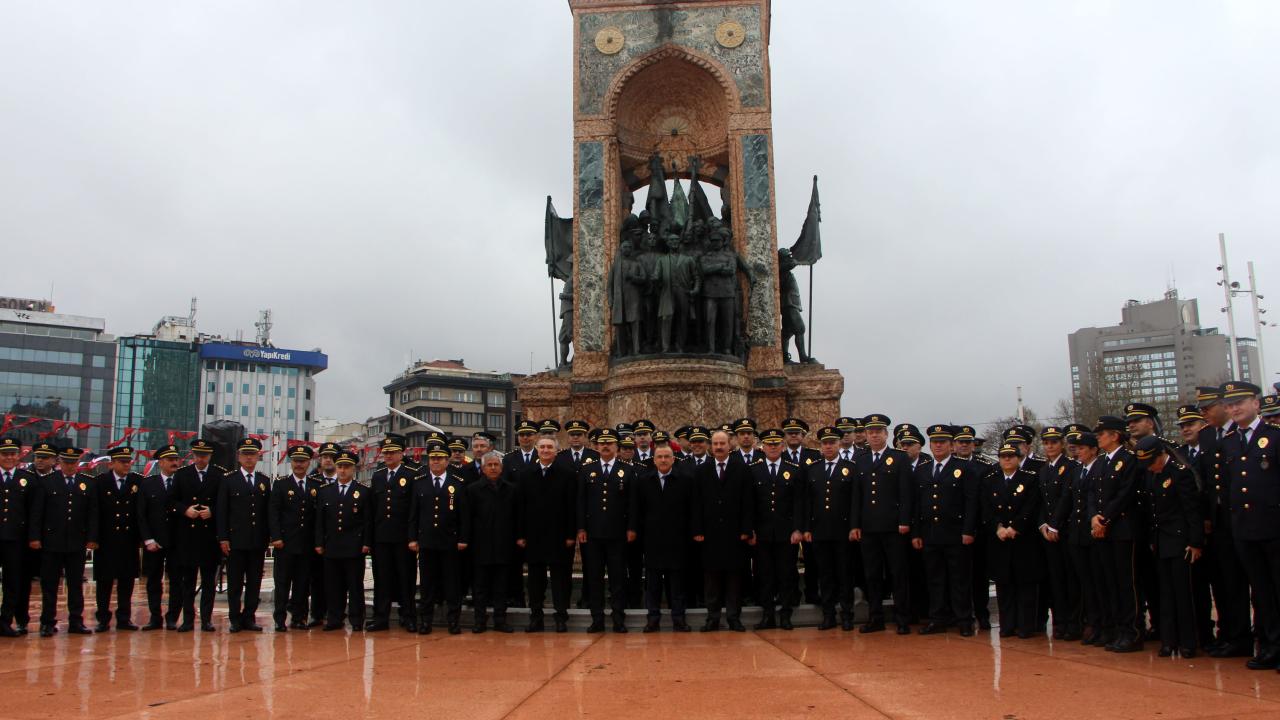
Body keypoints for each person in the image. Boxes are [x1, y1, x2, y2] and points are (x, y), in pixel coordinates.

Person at [1218, 381, 1280, 670]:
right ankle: (1269, 646)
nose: (1235, 408)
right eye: (1230, 405)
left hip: (1273, 526)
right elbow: (1229, 487)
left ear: (1256, 403)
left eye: (1240, 402)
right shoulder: (1228, 442)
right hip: (1244, 529)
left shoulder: (1274, 436)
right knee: (1261, 591)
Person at [1194, 386, 1252, 658]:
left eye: (1208, 407)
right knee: (1222, 580)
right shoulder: (1207, 435)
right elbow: (1205, 481)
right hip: (1216, 522)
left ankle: (1243, 635)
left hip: (1239, 518)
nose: (1204, 413)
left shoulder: (1234, 435)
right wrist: (1206, 517)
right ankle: (1229, 633)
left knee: (1240, 581)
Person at [1135, 436, 1203, 658]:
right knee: (1164, 593)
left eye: (1151, 463)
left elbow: (1191, 510)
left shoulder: (1179, 472)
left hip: (1180, 541)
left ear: (1160, 455)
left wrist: (1195, 542)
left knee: (1183, 593)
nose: (1150, 468)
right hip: (1161, 541)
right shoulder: (1151, 474)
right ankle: (1168, 640)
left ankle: (1188, 642)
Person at [851, 414, 914, 635]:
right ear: (866, 435)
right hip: (868, 528)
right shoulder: (860, 459)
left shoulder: (898, 458)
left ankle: (902, 618)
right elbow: (857, 496)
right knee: (872, 575)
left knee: (898, 573)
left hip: (893, 527)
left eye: (879, 431)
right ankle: (875, 617)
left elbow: (906, 493)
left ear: (886, 434)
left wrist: (905, 521)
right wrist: (855, 524)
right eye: (871, 431)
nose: (875, 434)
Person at [913, 425, 978, 636]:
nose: (938, 445)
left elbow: (971, 502)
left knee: (959, 579)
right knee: (935, 579)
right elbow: (917, 504)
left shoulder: (964, 467)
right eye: (935, 442)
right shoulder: (923, 469)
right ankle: (937, 618)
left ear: (951, 445)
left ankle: (964, 620)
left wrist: (969, 530)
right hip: (930, 533)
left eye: (942, 441)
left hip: (955, 533)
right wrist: (916, 533)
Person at [1090, 416, 1143, 653]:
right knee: (1110, 581)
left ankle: (1133, 631)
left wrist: (1105, 518)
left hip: (1122, 529)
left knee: (1126, 583)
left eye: (1102, 433)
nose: (1098, 437)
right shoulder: (1101, 462)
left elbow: (1125, 493)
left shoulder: (1128, 460)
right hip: (1102, 531)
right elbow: (1091, 492)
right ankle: (1119, 630)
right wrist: (1094, 517)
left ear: (1115, 435)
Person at [32, 445, 98, 636]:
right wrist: (35, 537)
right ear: (59, 462)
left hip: (76, 542)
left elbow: (93, 514)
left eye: (74, 462)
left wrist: (92, 538)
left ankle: (76, 621)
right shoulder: (47, 482)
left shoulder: (88, 483)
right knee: (50, 584)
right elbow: (38, 513)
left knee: (76, 584)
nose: (70, 466)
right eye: (66, 462)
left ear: (79, 463)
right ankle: (47, 622)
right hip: (52, 541)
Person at [691, 429, 753, 632]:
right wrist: (698, 529)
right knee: (711, 578)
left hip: (735, 533)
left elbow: (747, 502)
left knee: (734, 577)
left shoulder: (741, 468)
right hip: (709, 534)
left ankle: (734, 617)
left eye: (722, 444)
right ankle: (713, 618)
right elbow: (696, 503)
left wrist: (746, 529)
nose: (718, 447)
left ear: (730, 445)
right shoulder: (702, 470)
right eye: (715, 444)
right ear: (711, 446)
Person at [629, 443, 694, 632]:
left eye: (667, 457)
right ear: (654, 460)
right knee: (653, 584)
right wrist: (635, 531)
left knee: (677, 583)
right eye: (660, 457)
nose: (664, 460)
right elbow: (636, 510)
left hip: (677, 540)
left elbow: (692, 510)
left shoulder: (685, 480)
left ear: (673, 459)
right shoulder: (643, 480)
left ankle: (679, 618)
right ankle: (653, 618)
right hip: (652, 540)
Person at [1048, 431, 1105, 646]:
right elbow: (1068, 499)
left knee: (1099, 583)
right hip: (1077, 534)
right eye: (1076, 448)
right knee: (1086, 583)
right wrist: (1054, 523)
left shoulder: (1099, 467)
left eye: (1082, 448)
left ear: (1093, 450)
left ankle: (1103, 625)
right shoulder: (1078, 470)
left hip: (1094, 534)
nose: (1078, 451)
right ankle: (1093, 623)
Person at [515, 436, 577, 633]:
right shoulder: (526, 474)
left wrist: (570, 535)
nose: (545, 450)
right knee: (535, 580)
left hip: (559, 536)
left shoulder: (567, 474)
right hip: (534, 537)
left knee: (560, 579)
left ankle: (561, 616)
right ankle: (536, 617)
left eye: (550, 447)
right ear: (537, 450)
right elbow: (520, 508)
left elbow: (571, 507)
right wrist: (521, 534)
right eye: (542, 447)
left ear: (556, 451)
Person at [984, 441, 1044, 639]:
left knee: (1025, 585)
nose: (1007, 459)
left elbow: (1031, 507)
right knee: (1004, 585)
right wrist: (998, 527)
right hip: (999, 540)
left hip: (1023, 540)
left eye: (1011, 456)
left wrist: (1015, 527)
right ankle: (1007, 625)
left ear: (1019, 459)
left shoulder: (1030, 479)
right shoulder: (990, 480)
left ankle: (1026, 626)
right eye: (1003, 456)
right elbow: (986, 508)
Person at [409, 442, 468, 635]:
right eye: (433, 458)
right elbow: (413, 515)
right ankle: (425, 621)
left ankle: (453, 621)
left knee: (452, 584)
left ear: (447, 460)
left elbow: (463, 515)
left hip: (450, 541)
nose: (436, 462)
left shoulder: (457, 482)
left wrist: (463, 538)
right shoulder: (419, 482)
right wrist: (412, 538)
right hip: (426, 542)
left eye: (440, 458)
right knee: (427, 584)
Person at [749, 429, 802, 630]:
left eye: (776, 444)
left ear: (782, 446)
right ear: (763, 447)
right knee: (764, 575)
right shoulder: (754, 469)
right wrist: (751, 529)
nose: (772, 447)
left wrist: (798, 529)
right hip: (762, 534)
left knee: (786, 574)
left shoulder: (794, 468)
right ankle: (768, 614)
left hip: (786, 533)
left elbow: (799, 502)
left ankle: (785, 614)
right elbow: (750, 504)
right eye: (769, 444)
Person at [216, 437, 271, 633]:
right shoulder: (229, 480)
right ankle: (235, 619)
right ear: (239, 457)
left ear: (258, 457)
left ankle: (249, 617)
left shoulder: (264, 481)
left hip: (257, 541)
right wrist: (223, 537)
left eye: (253, 454)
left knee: (254, 583)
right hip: (235, 541)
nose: (249, 458)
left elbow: (267, 513)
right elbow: (222, 511)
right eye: (245, 454)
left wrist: (267, 538)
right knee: (235, 583)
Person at [577, 428, 630, 632]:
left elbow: (631, 503)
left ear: (617, 447)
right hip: (593, 534)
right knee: (594, 578)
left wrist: (631, 528)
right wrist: (581, 527)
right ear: (597, 446)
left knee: (618, 578)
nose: (606, 446)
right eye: (602, 443)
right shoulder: (586, 470)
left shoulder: (626, 470)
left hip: (618, 534)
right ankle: (597, 618)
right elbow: (580, 502)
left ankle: (618, 618)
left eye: (610, 443)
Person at [802, 427, 854, 630]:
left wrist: (854, 526)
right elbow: (807, 502)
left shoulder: (850, 467)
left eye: (832, 442)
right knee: (825, 575)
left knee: (844, 574)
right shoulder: (813, 469)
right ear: (820, 446)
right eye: (825, 443)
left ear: (839, 444)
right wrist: (807, 528)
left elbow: (854, 501)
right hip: (820, 531)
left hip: (843, 531)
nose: (828, 446)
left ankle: (847, 614)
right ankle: (828, 615)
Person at [314, 450, 371, 631]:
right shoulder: (325, 491)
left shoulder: (362, 491)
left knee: (355, 586)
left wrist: (366, 543)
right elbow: (320, 521)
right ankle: (334, 618)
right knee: (333, 586)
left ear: (353, 469)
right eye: (340, 466)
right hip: (332, 546)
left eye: (346, 467)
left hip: (354, 547)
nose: (343, 470)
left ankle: (356, 619)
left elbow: (367, 521)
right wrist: (319, 543)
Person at [170, 439, 223, 632]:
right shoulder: (182, 475)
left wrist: (213, 511)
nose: (200, 458)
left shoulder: (219, 475)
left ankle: (206, 619)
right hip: (188, 536)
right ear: (192, 455)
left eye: (204, 455)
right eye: (197, 455)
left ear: (210, 456)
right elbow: (172, 501)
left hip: (209, 537)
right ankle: (188, 619)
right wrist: (185, 510)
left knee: (209, 582)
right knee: (188, 583)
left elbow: (225, 504)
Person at [463, 450, 518, 633]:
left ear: (501, 468)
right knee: (480, 587)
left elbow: (516, 517)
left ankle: (500, 620)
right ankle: (480, 620)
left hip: (504, 545)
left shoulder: (511, 489)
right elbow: (467, 519)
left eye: (496, 465)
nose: (493, 468)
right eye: (489, 465)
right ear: (483, 468)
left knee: (501, 587)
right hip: (480, 546)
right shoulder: (473, 490)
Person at [368, 434, 417, 632]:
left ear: (401, 453)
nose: (388, 456)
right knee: (382, 579)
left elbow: (414, 509)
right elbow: (373, 509)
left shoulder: (411, 474)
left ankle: (408, 616)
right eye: (385, 453)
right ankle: (381, 617)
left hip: (403, 537)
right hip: (382, 537)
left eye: (392, 452)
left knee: (406, 579)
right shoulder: (378, 475)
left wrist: (413, 536)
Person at [1036, 426, 1081, 640]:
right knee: (1056, 580)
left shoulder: (1070, 466)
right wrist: (1043, 524)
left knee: (1070, 578)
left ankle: (1074, 623)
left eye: (1054, 442)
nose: (1050, 446)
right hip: (1049, 533)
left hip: (1065, 531)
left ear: (1061, 444)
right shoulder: (1044, 470)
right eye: (1046, 442)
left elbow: (1067, 498)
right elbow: (1042, 501)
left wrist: (1054, 524)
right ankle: (1060, 622)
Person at [92, 445, 142, 632]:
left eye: (128, 462)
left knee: (127, 580)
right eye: (122, 462)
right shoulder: (100, 482)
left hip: (128, 539)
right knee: (104, 582)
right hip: (106, 540)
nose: (126, 465)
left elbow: (140, 513)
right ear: (111, 464)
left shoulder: (137, 481)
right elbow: (95, 512)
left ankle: (124, 618)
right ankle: (103, 618)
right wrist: (93, 537)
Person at [269, 445, 316, 631]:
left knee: (302, 583)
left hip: (306, 544)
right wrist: (276, 537)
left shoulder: (315, 485)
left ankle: (299, 617)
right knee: (282, 583)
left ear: (309, 463)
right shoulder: (281, 484)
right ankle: (280, 619)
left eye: (303, 461)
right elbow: (274, 513)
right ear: (291, 462)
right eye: (296, 461)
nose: (299, 464)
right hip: (285, 543)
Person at [137, 444, 182, 631]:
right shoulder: (148, 483)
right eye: (170, 460)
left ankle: (172, 617)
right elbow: (141, 514)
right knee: (154, 580)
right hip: (154, 542)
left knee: (177, 581)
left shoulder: (183, 483)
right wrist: (147, 539)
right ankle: (155, 617)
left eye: (176, 459)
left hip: (177, 542)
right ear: (161, 462)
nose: (174, 463)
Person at [0, 437, 36, 637]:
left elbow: (34, 512)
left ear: (18, 456)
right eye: (5, 454)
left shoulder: (27, 479)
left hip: (16, 540)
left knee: (12, 582)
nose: (9, 457)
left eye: (12, 454)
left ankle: (5, 621)